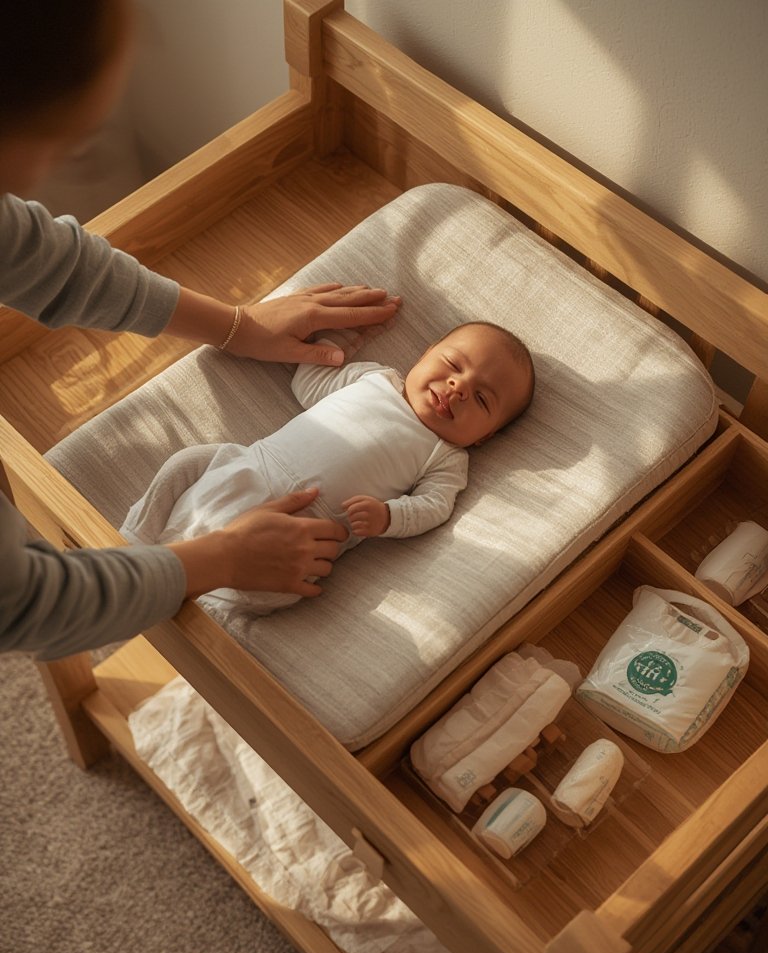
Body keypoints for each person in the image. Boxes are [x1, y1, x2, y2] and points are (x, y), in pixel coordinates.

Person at [0, 0, 401, 661]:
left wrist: (238, 325)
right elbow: (25, 606)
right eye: (65, 142)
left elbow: (48, 261)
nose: (43, 179)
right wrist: (217, 559)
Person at [121, 322, 535, 616]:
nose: (459, 388)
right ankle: (135, 536)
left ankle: (210, 609)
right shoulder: (375, 378)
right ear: (425, 354)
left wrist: (388, 516)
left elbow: (435, 506)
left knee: (285, 587)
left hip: (306, 526)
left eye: (482, 399)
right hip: (252, 465)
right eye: (453, 365)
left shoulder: (446, 456)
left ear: (483, 437)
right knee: (188, 461)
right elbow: (310, 385)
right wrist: (334, 344)